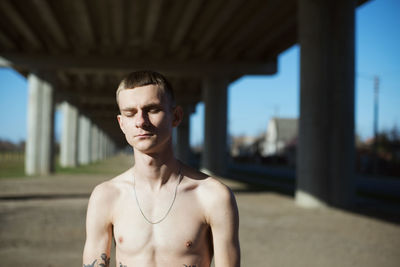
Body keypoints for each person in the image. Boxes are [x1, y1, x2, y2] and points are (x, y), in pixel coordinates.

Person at [82, 71, 240, 267]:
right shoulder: (106, 196)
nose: (141, 121)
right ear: (122, 124)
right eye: (130, 113)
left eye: (153, 109)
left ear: (176, 116)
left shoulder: (212, 196)